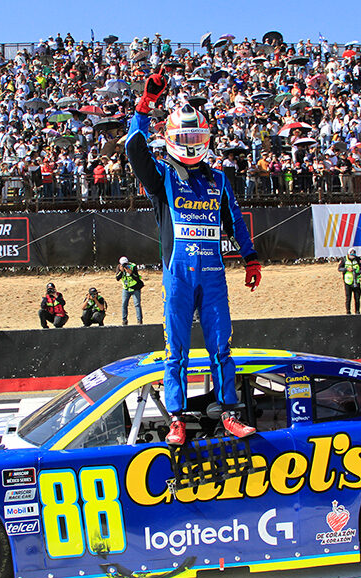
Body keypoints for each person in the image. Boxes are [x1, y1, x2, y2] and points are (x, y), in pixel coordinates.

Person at [125, 67, 261, 446]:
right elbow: (133, 146)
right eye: (185, 136)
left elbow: (235, 218)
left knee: (221, 346)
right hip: (178, 275)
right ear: (170, 139)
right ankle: (177, 419)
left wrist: (250, 257)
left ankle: (229, 414)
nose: (191, 143)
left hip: (214, 274)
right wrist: (146, 104)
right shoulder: (162, 177)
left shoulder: (218, 179)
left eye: (196, 136)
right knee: (176, 351)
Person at [116, 256, 143, 325]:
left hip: (135, 288)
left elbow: (137, 278)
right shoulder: (119, 267)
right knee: (124, 304)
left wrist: (131, 273)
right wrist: (121, 272)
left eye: (126, 264)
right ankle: (124, 320)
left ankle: (139, 320)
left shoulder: (133, 266)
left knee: (137, 304)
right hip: (126, 288)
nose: (125, 266)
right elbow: (117, 278)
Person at [337, 248, 361, 314]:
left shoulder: (358, 259)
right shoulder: (344, 259)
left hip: (356, 281)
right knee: (348, 298)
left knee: (357, 298)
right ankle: (348, 312)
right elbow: (339, 268)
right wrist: (346, 269)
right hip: (348, 282)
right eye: (351, 255)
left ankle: (357, 311)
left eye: (353, 256)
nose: (352, 257)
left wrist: (357, 273)